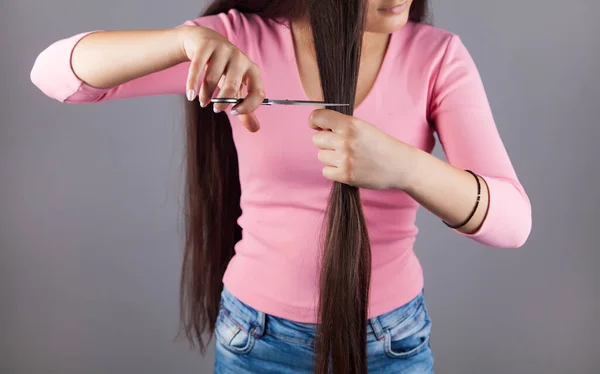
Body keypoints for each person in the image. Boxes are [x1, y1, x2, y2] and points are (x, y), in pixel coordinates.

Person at [30, 0, 532, 372]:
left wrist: (404, 166)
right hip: (258, 340)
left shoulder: (437, 56)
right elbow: (52, 73)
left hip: (392, 342)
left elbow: (513, 223)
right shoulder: (240, 40)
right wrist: (182, 42)